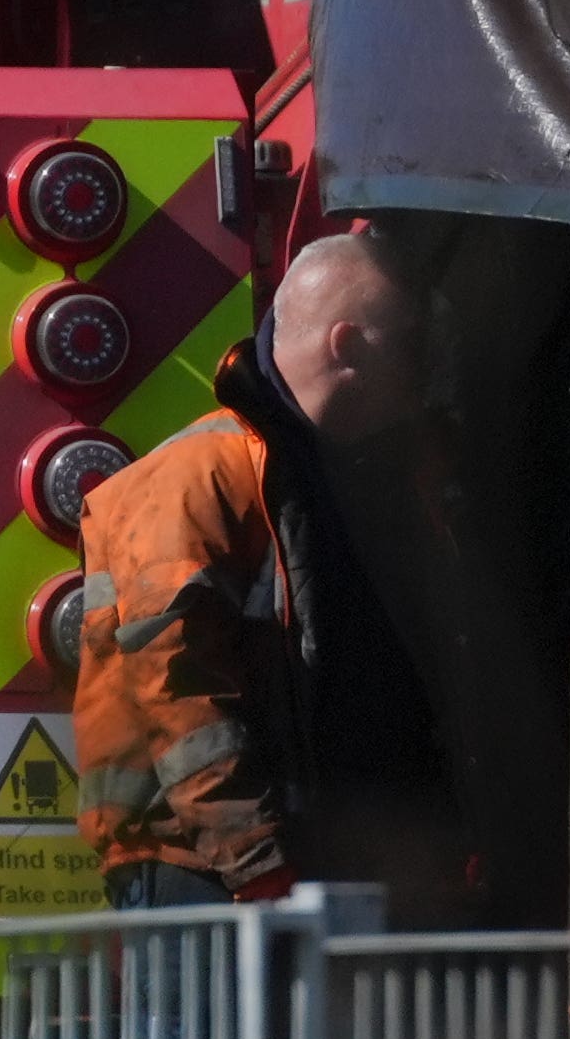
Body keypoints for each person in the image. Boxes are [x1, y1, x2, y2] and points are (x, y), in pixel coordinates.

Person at [70, 226, 447, 910]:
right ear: (349, 344)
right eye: (414, 346)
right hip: (208, 883)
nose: (429, 373)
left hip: (322, 875)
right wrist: (255, 863)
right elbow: (179, 693)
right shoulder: (194, 482)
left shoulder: (370, 477)